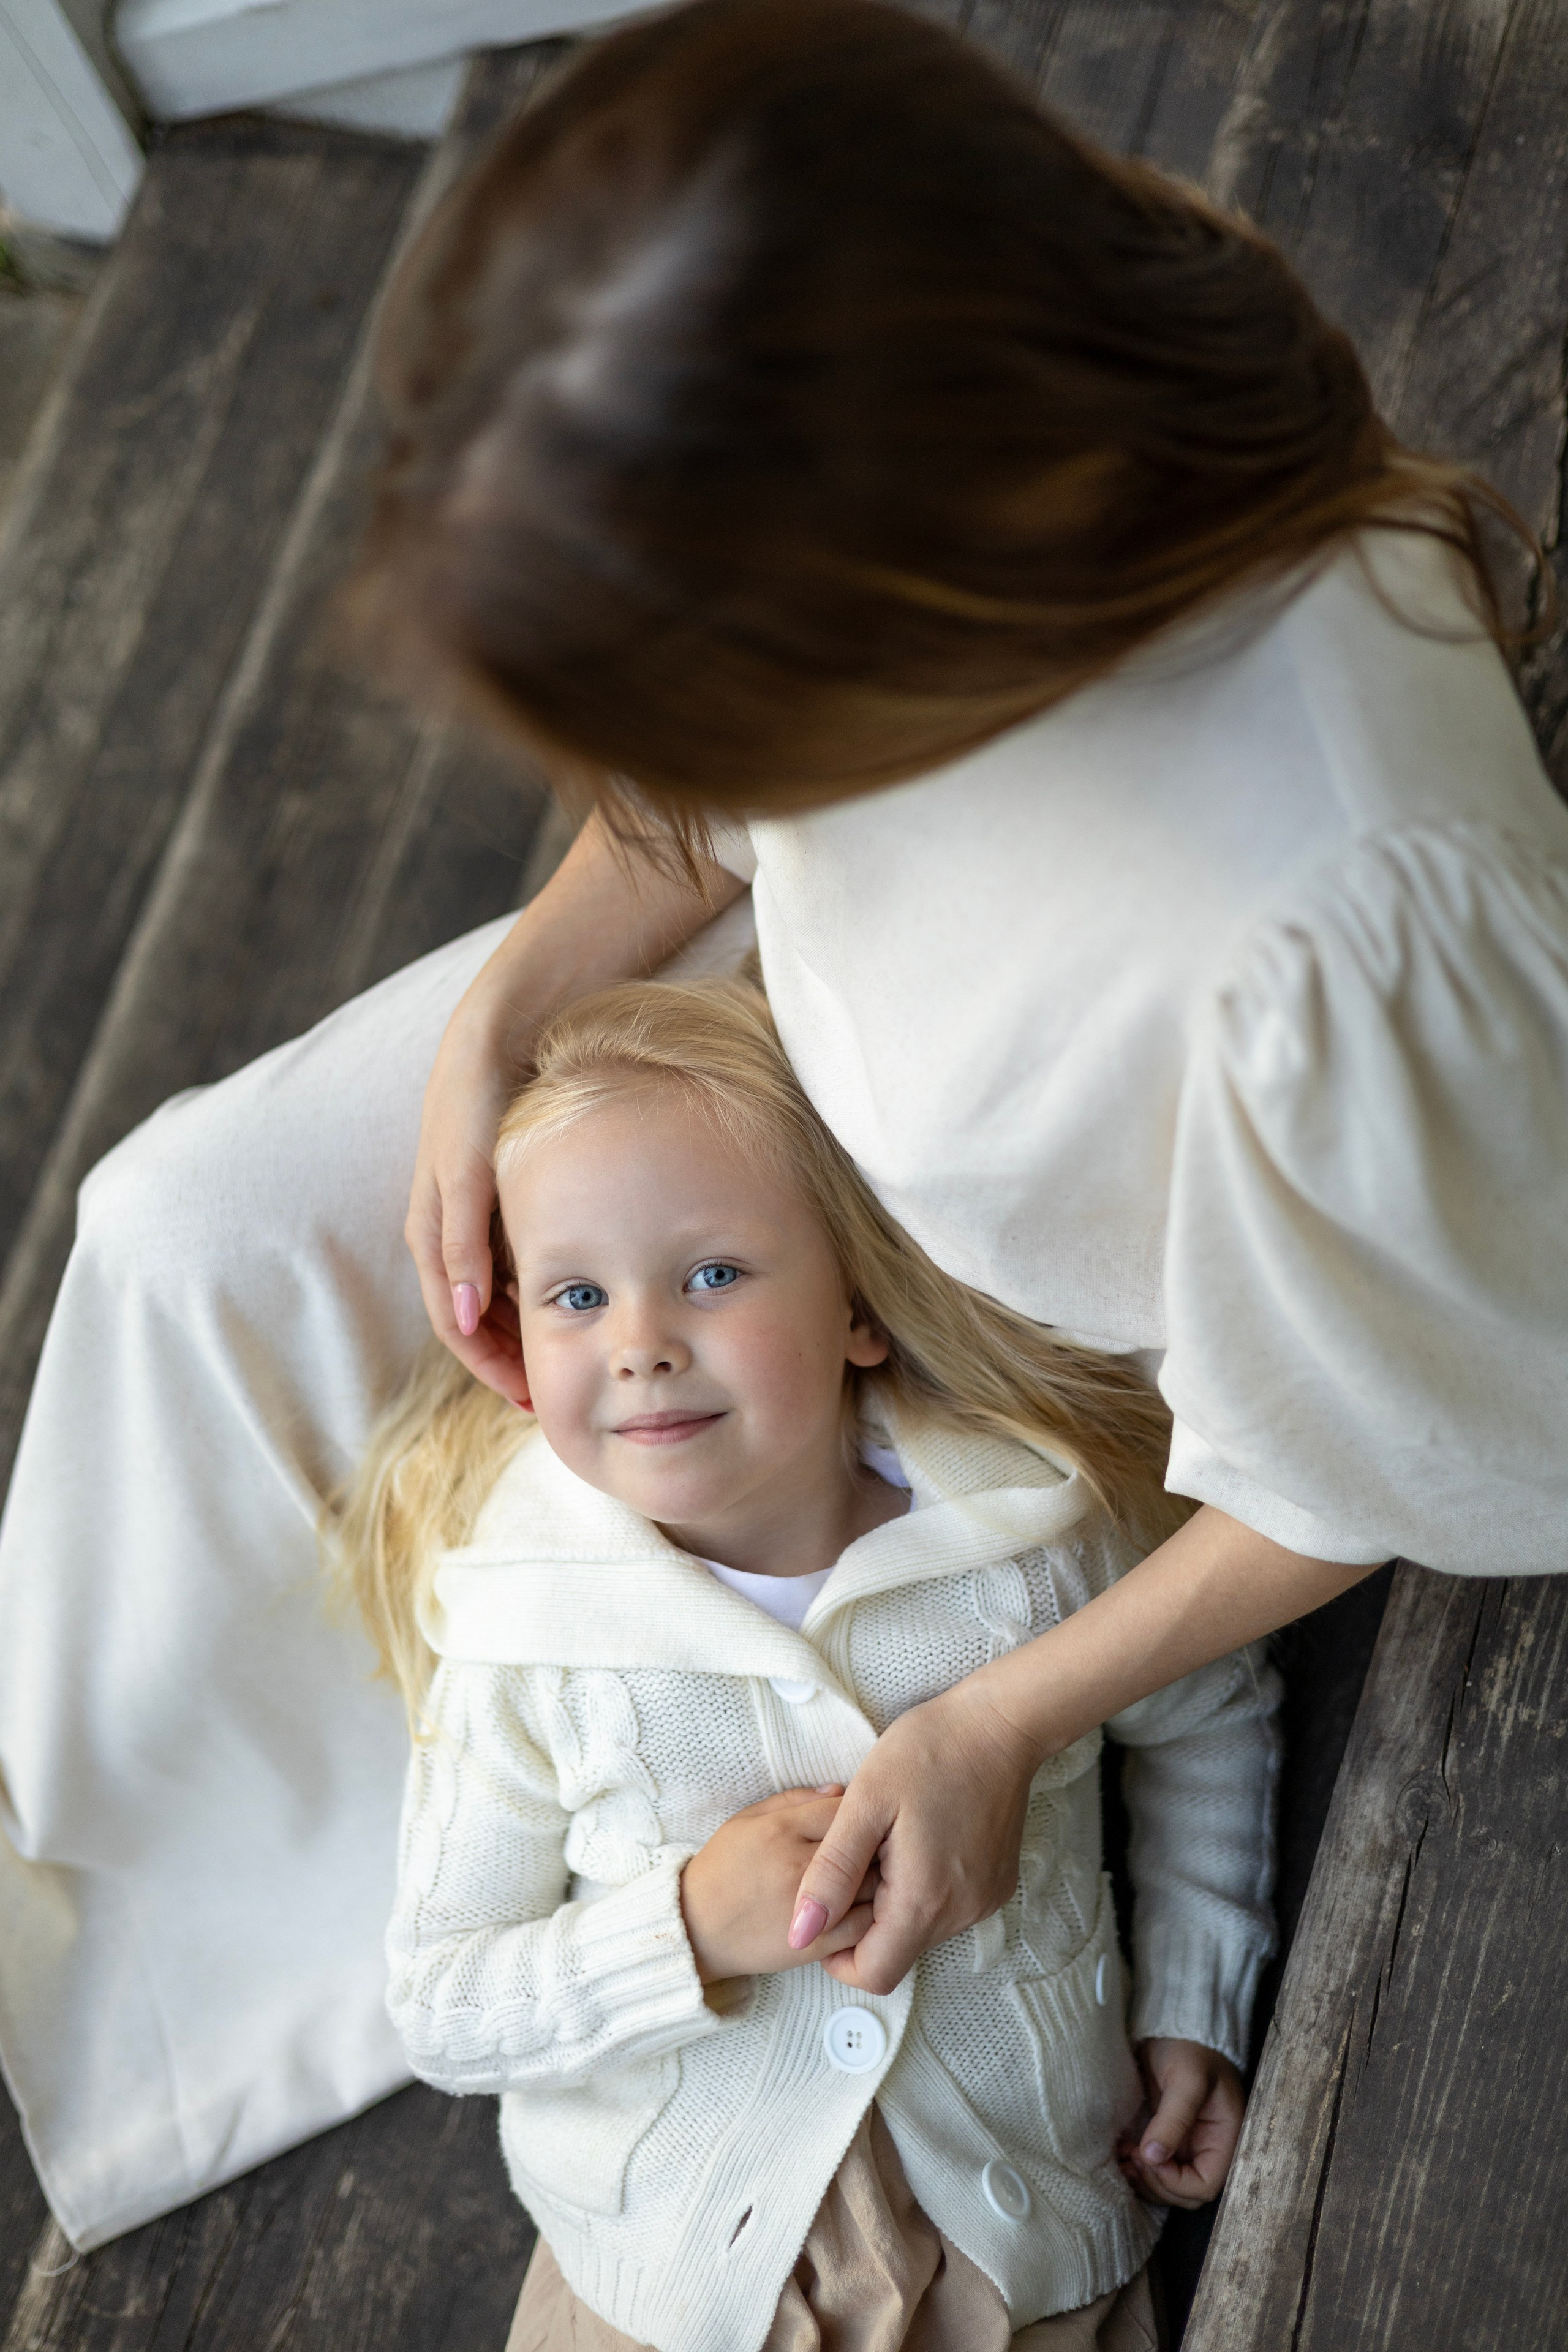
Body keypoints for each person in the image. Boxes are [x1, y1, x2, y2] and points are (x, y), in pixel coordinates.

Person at [2, 0, 1564, 2253]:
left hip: (1045, 1260)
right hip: (805, 1041)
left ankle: (442, 1905)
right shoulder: (905, 439)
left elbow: (1379, 1448)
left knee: (651, 1592)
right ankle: (121, 1936)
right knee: (187, 1228)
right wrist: (519, 1013)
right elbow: (704, 810)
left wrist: (1007, 1720)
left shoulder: (1325, 937)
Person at [349, 973, 1279, 2352]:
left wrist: (1195, 1996)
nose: (642, 1344)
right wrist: (680, 1931)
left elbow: (1203, 1714)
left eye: (712, 1275)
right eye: (577, 1295)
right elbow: (444, 2003)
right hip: (665, 2268)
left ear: (858, 1304)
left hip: (1014, 2225)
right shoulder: (531, 1641)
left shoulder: (1026, 1546)